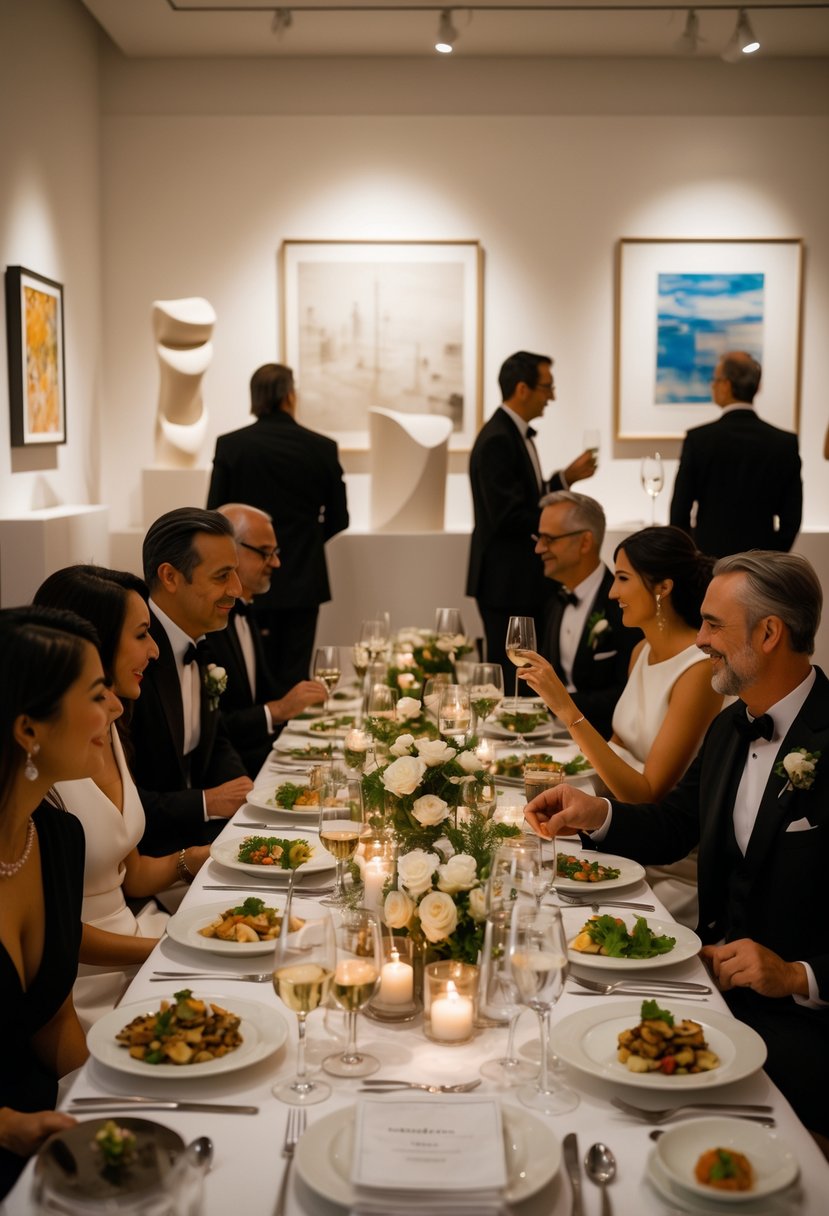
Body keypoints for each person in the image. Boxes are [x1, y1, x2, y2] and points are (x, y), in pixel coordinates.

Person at [524, 551, 829, 1141]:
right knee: (580, 1055)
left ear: (769, 634)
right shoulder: (731, 726)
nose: (702, 640)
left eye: (714, 625)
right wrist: (598, 814)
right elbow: (673, 827)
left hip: (803, 1026)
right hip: (710, 985)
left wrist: (797, 975)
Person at [33, 566, 211, 1029]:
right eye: (142, 634)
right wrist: (162, 951)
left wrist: (202, 859)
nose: (155, 651)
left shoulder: (111, 727)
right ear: (95, 643)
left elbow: (130, 876)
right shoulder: (42, 765)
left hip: (135, 938)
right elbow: (50, 936)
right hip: (82, 983)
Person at [520, 525, 722, 925]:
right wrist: (566, 795)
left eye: (623, 578)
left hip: (668, 862)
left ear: (662, 588)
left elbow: (647, 794)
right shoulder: (641, 652)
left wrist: (567, 710)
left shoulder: (699, 672)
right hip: (619, 834)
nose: (612, 593)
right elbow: (614, 751)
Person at [0, 607, 112, 1198]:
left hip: (46, 1131)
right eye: (97, 695)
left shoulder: (58, 839)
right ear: (28, 730)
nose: (114, 710)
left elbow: (52, 1019)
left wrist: (111, 1093)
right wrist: (8, 1125)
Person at [206, 363, 349, 694]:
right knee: (294, 677)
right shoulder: (322, 447)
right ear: (289, 395)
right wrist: (303, 544)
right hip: (302, 579)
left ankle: (258, 736)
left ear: (255, 398)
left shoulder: (231, 445)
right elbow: (340, 518)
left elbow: (214, 517)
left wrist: (247, 551)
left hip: (241, 580)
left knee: (245, 676)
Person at [130, 507, 253, 856]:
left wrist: (249, 796)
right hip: (153, 855)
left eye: (236, 573)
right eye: (222, 576)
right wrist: (206, 802)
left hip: (199, 838)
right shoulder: (133, 659)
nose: (237, 589)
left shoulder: (200, 641)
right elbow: (120, 799)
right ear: (170, 576)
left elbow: (215, 742)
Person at [466, 350, 597, 676]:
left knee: (525, 672)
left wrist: (564, 479)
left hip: (516, 578)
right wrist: (560, 524)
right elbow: (508, 516)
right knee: (514, 676)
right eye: (547, 387)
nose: (552, 397)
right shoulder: (498, 439)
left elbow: (526, 496)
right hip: (507, 581)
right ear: (522, 389)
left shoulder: (510, 434)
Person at [210, 504, 327, 776]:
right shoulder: (209, 625)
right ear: (229, 551)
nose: (276, 563)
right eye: (265, 552)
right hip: (231, 774)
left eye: (276, 552)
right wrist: (277, 710)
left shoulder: (247, 611)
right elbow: (210, 728)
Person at [669, 351, 802, 557]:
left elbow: (679, 511)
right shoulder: (784, 443)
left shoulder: (699, 439)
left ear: (726, 385)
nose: (712, 385)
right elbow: (791, 518)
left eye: (715, 379)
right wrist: (771, 555)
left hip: (709, 560)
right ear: (757, 387)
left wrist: (692, 557)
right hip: (761, 561)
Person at [535, 490, 639, 739]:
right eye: (538, 538)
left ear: (584, 542)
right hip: (555, 738)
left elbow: (630, 694)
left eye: (549, 539)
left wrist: (559, 704)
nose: (539, 548)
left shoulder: (624, 604)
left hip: (604, 740)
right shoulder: (553, 600)